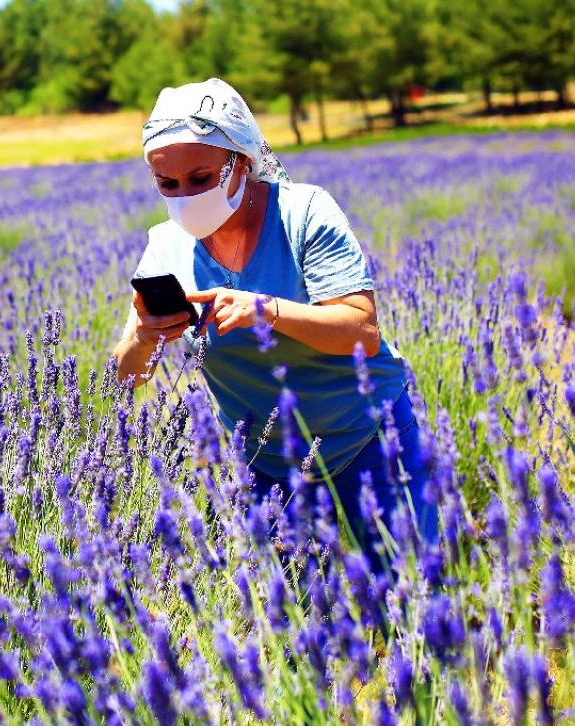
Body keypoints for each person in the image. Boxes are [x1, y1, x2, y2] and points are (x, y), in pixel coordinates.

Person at [112, 78, 438, 558]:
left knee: (414, 588)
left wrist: (267, 310)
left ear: (240, 163)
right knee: (302, 617)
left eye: (201, 178)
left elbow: (362, 333)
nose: (184, 195)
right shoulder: (165, 247)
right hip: (267, 462)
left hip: (365, 435)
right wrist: (144, 336)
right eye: (168, 183)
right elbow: (123, 377)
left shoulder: (303, 213)